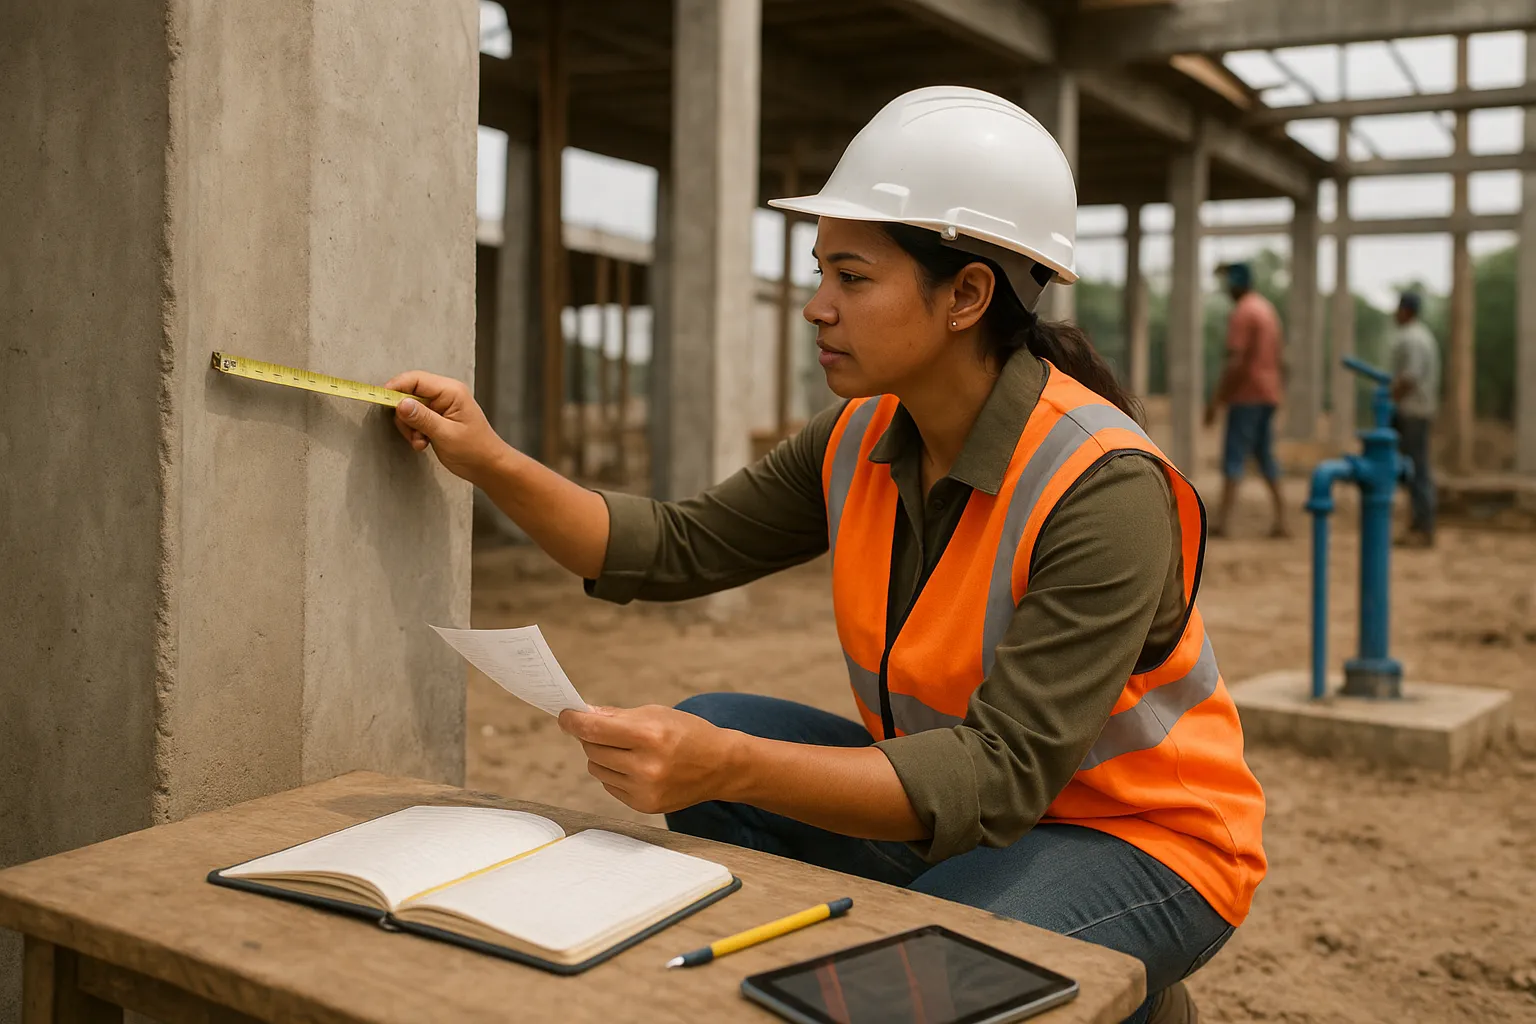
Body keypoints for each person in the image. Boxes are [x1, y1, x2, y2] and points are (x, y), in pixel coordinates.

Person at [385, 86, 1265, 1024]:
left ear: (966, 295)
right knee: (718, 721)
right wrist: (488, 458)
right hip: (965, 819)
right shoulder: (858, 438)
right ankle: (1077, 974)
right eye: (821, 273)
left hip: (1140, 842)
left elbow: (1002, 773)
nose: (816, 308)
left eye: (852, 277)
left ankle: (1126, 991)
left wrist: (725, 763)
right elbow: (673, 547)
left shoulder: (1103, 485)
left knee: (926, 978)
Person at [1205, 262, 1288, 538]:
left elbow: (1236, 362)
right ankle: (1281, 519)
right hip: (1268, 393)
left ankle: (1222, 521)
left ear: (1237, 284)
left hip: (1247, 395)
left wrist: (1217, 399)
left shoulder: (1242, 314)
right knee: (1265, 456)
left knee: (1234, 455)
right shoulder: (1266, 309)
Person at [1389, 292, 1439, 546]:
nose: (1395, 313)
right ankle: (1417, 523)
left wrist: (1390, 399)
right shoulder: (1418, 336)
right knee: (1412, 469)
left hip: (1414, 412)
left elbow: (1410, 377)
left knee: (1418, 469)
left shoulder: (1414, 338)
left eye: (1398, 309)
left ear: (1406, 310)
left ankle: (1423, 527)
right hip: (1414, 411)